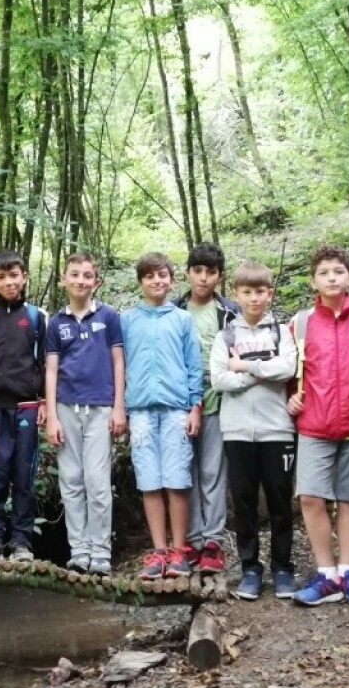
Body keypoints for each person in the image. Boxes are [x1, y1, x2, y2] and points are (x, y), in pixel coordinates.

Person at [288, 245, 349, 608]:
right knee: (311, 496)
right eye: (324, 272)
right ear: (313, 280)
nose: (332, 277)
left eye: (338, 271)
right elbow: (287, 367)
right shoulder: (301, 322)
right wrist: (289, 397)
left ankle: (347, 572)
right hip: (314, 421)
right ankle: (326, 575)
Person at [209, 262, 298, 600]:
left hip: (277, 429)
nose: (254, 298)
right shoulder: (226, 335)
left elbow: (287, 367)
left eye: (260, 291)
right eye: (247, 292)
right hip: (237, 430)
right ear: (237, 294)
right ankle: (250, 568)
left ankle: (283, 568)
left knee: (279, 499)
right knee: (244, 501)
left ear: (269, 293)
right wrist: (260, 374)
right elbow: (220, 379)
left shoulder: (281, 332)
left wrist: (244, 365)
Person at [121, 252, 203, 580]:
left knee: (177, 478)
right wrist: (121, 409)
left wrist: (195, 405)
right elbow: (119, 364)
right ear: (141, 282)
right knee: (149, 480)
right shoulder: (127, 321)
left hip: (175, 408)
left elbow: (193, 365)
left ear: (172, 279)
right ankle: (158, 551)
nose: (157, 281)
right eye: (150, 276)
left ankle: (179, 550)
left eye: (163, 275)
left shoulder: (182, 319)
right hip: (139, 409)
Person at [45, 252, 127, 575]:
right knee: (71, 480)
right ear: (64, 279)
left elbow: (119, 362)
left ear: (96, 280)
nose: (81, 280)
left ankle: (101, 552)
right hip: (66, 407)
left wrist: (118, 406)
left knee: (97, 480)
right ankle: (78, 551)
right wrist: (51, 415)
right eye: (74, 274)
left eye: (87, 275)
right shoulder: (56, 323)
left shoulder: (108, 317)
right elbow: (51, 371)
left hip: (100, 407)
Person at [0, 251, 47, 562]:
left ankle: (21, 542)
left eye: (14, 275)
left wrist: (44, 401)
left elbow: (45, 361)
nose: (8, 282)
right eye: (2, 277)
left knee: (24, 475)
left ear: (24, 276)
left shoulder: (37, 317)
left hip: (28, 406)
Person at [174, 242, 238, 573]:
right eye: (197, 271)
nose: (203, 278)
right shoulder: (174, 311)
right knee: (185, 472)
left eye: (210, 272)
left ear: (219, 276)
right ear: (187, 273)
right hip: (179, 404)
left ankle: (212, 541)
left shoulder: (230, 313)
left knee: (213, 471)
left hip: (219, 401)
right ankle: (193, 540)